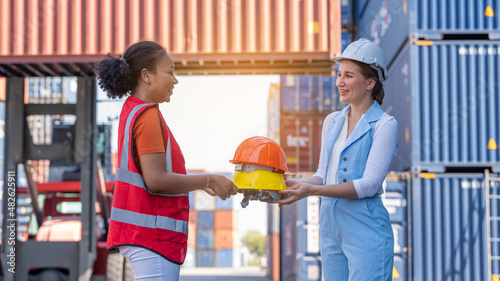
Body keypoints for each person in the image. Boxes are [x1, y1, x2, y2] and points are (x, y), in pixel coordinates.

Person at [94, 41, 238, 281]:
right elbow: (156, 180)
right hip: (152, 238)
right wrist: (210, 179)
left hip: (142, 236)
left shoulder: (131, 110)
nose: (175, 80)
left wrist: (203, 184)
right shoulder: (148, 115)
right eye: (170, 72)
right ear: (146, 76)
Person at [277, 38, 398, 281]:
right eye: (339, 74)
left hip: (367, 232)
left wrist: (311, 190)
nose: (339, 83)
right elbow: (323, 174)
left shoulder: (385, 125)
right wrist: (289, 184)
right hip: (330, 230)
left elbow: (369, 184)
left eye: (349, 76)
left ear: (370, 82)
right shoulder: (331, 121)